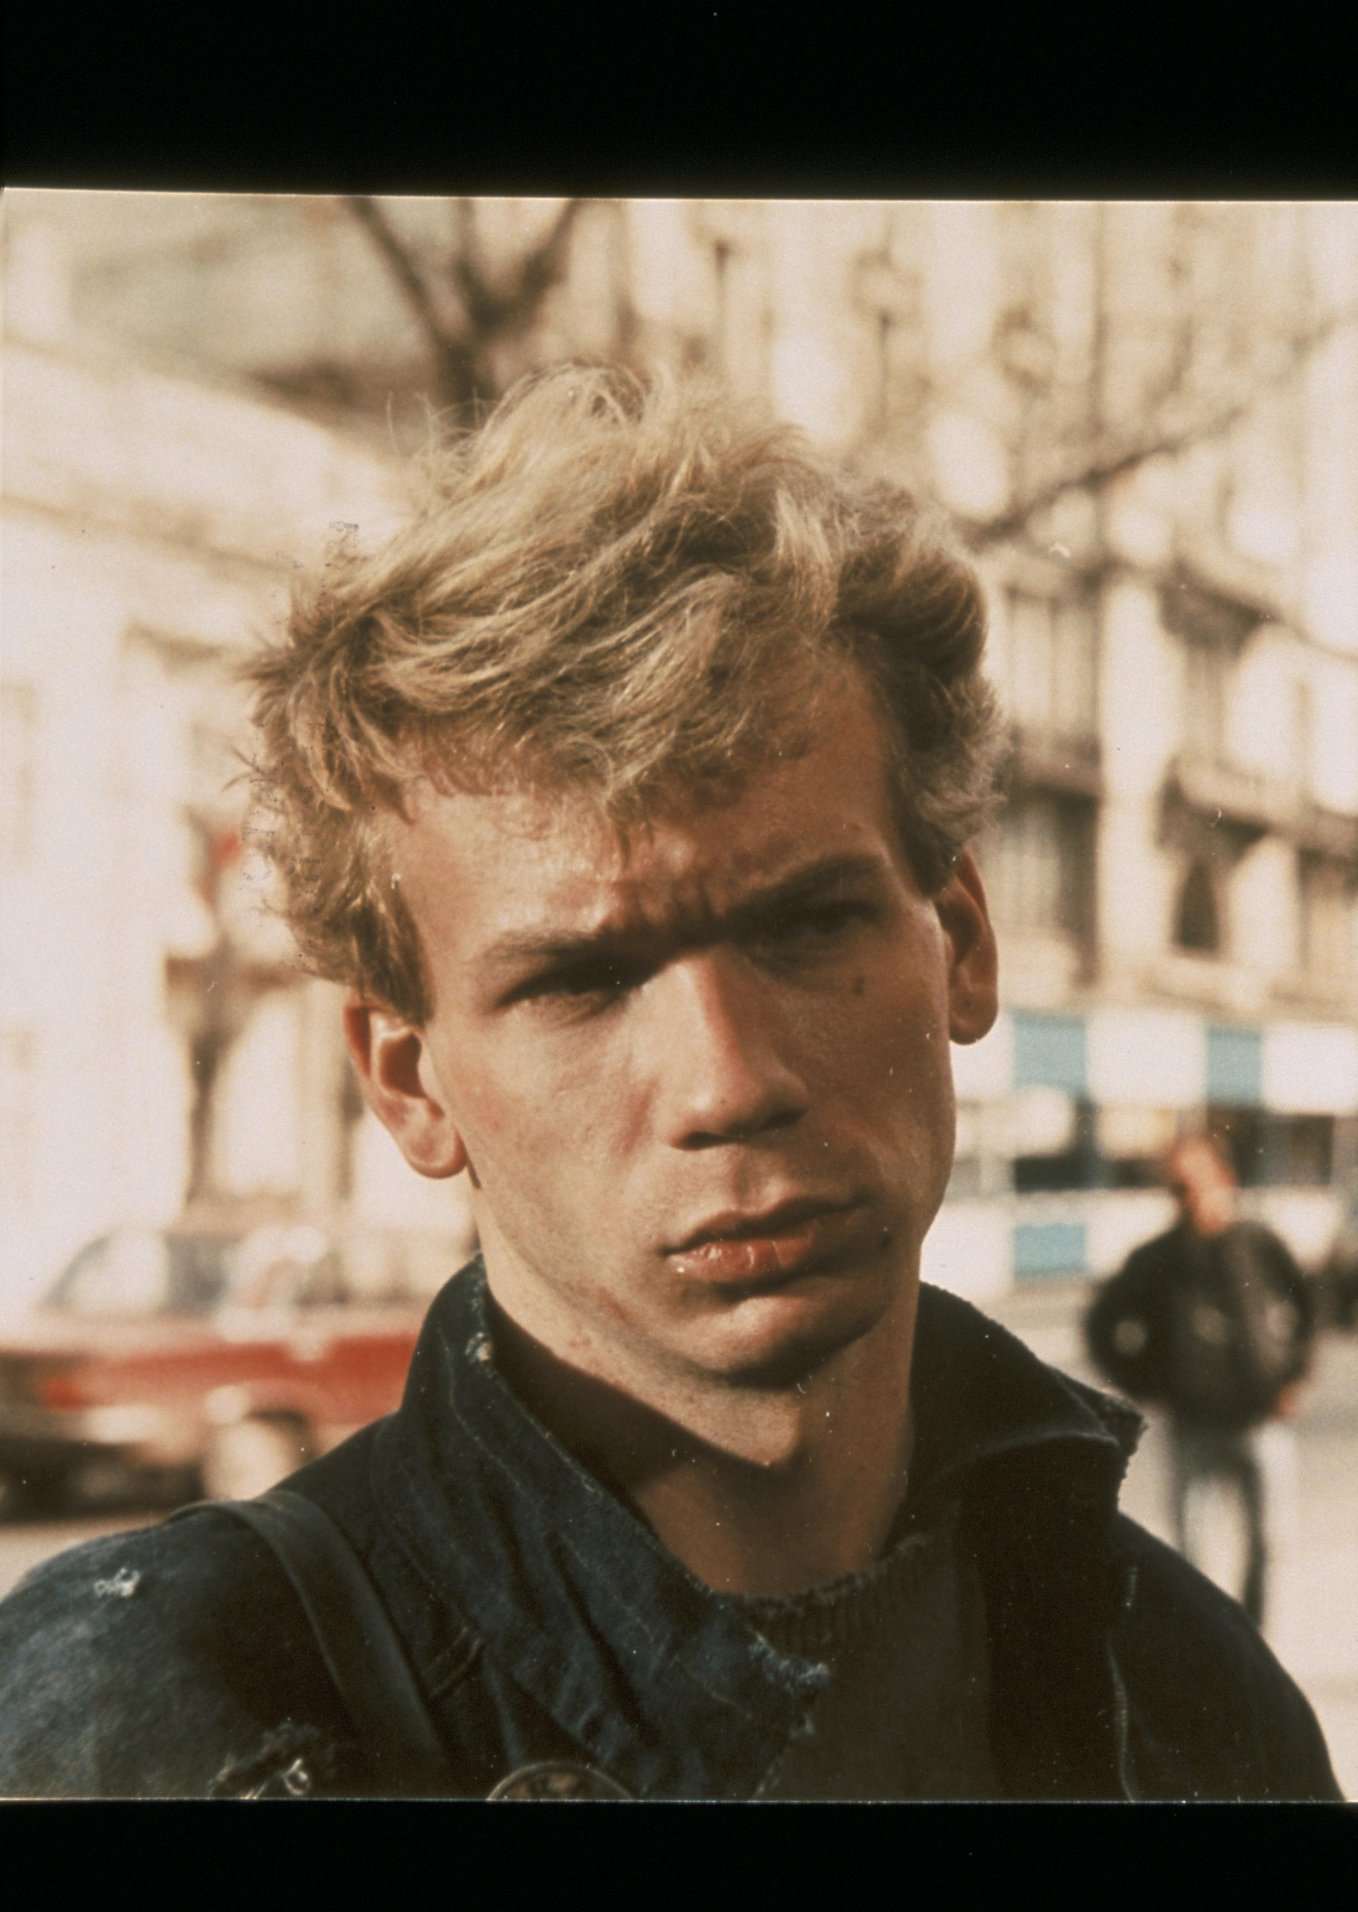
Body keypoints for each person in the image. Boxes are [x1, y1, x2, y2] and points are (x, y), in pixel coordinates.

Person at [0, 366, 1339, 1800]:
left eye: (805, 924)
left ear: (957, 940)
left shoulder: (1192, 1698)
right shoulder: (156, 1714)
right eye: (576, 981)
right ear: (408, 1081)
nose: (727, 1080)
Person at [1084, 1135, 1315, 1629]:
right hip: (1194, 1426)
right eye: (1178, 1189)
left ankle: (1254, 1644)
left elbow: (1311, 1305)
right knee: (1194, 1554)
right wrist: (1146, 1382)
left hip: (1258, 1418)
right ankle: (1212, 1649)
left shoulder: (1257, 1243)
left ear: (1224, 1180)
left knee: (1270, 1543)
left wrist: (1294, 1376)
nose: (1190, 1198)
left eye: (1198, 1184)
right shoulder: (1157, 1258)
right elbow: (1101, 1325)